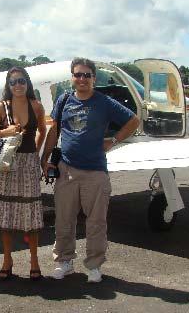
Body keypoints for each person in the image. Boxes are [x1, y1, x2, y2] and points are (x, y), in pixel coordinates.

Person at [41, 57, 140, 283]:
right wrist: (45, 158)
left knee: (96, 222)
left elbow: (133, 120)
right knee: (64, 219)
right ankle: (64, 262)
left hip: (95, 171)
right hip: (66, 169)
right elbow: (54, 131)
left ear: (94, 78)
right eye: (78, 74)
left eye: (87, 75)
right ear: (72, 78)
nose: (82, 79)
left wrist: (113, 140)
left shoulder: (104, 102)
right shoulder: (64, 99)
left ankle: (94, 265)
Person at [0, 66, 47, 281]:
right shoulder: (1, 108)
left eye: (21, 81)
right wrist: (5, 132)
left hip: (28, 164)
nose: (17, 85)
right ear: (8, 86)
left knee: (31, 217)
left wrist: (34, 154)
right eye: (13, 82)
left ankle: (34, 261)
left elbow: (42, 131)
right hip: (6, 166)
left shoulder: (36, 106)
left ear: (27, 83)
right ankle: (7, 261)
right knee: (7, 218)